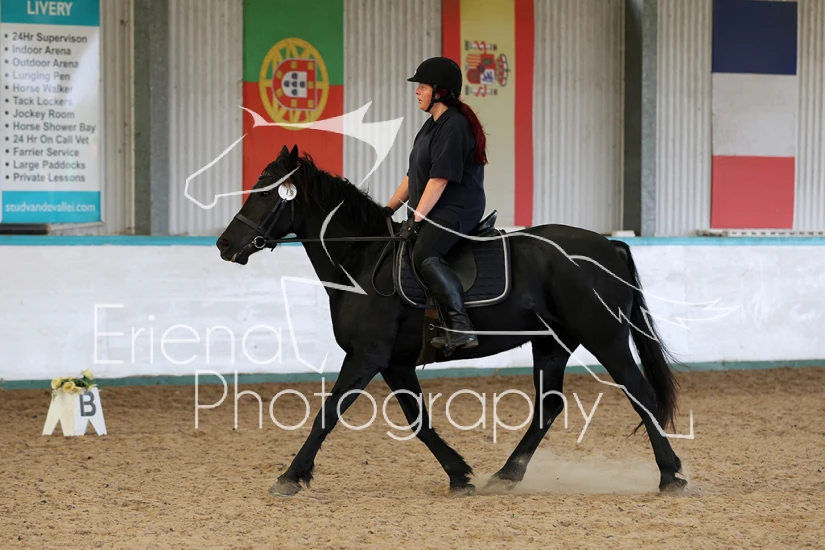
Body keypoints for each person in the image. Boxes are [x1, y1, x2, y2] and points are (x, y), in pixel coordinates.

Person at [383, 56, 488, 350]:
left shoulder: (454, 126)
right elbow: (412, 177)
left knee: (424, 254)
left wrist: (416, 219)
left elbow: (439, 180)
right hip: (435, 208)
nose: (417, 91)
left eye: (423, 87)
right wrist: (388, 209)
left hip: (457, 210)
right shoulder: (431, 126)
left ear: (440, 92)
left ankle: (460, 326)